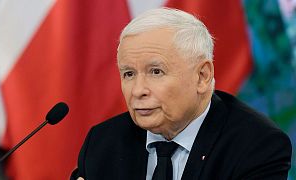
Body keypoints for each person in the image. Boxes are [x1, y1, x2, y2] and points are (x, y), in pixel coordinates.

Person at [70, 8, 292, 180]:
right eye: (128, 74)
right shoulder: (103, 142)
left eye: (156, 72)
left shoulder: (256, 145)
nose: (138, 91)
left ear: (202, 76)